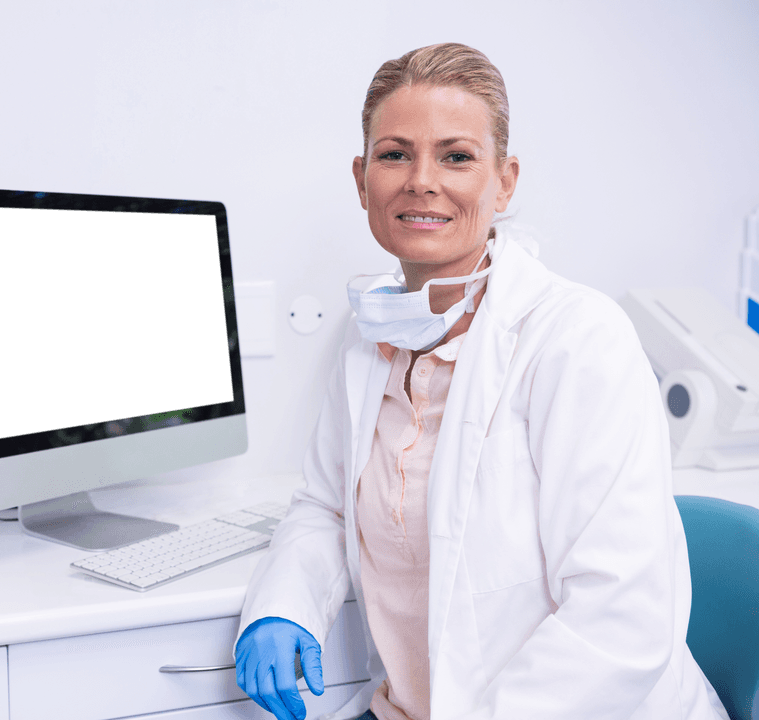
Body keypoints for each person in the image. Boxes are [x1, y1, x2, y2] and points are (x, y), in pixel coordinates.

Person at [234, 43, 730, 720]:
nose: (421, 180)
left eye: (456, 156)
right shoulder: (368, 337)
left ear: (504, 181)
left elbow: (622, 623)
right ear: (361, 179)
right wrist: (283, 606)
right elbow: (325, 506)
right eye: (394, 154)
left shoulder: (576, 338)